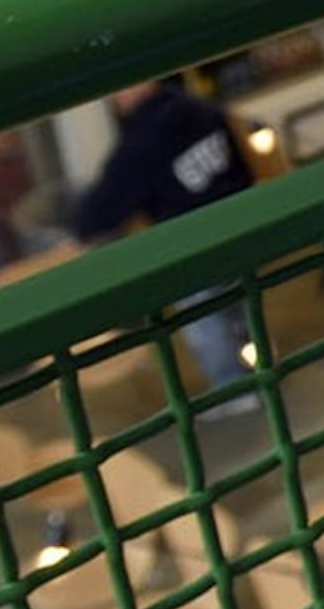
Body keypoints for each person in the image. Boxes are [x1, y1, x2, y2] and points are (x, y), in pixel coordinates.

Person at [71, 66, 255, 399]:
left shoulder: (142, 142)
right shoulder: (201, 109)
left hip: (191, 249)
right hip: (240, 227)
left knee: (204, 320)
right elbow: (245, 169)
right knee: (237, 304)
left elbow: (98, 214)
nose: (114, 98)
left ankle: (234, 390)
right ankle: (253, 363)